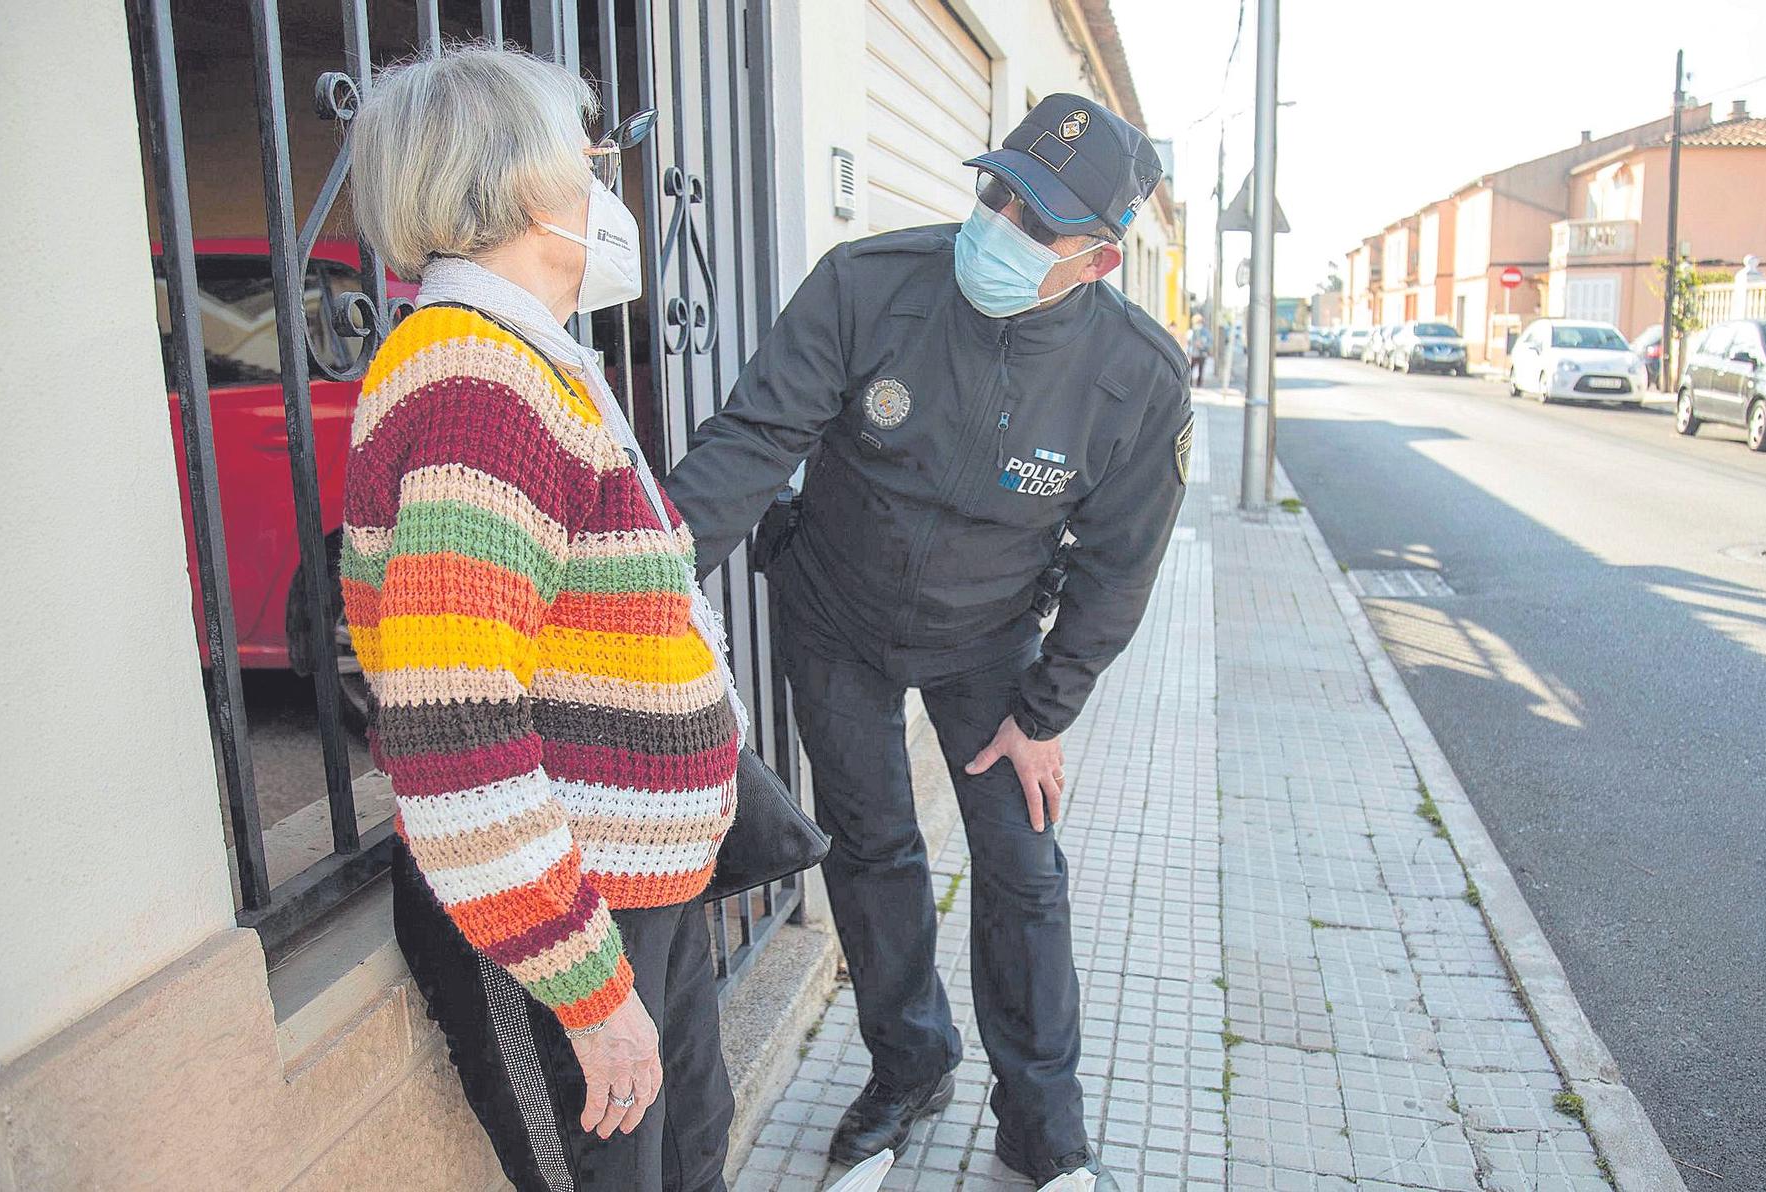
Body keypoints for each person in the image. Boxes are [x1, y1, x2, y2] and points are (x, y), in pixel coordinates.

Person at [666, 93, 1191, 1192]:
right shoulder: (868, 283)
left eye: (1035, 220)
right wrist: (639, 578)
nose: (996, 222)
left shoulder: (1136, 378)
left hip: (988, 638)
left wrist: (1044, 710)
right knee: (868, 849)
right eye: (996, 189)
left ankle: (1043, 1131)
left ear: (1096, 262)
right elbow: (753, 440)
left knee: (1022, 867)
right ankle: (908, 1069)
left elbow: (1116, 564)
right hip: (834, 613)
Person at [342, 47, 738, 1191]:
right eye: (592, 158)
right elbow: (453, 738)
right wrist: (590, 988)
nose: (604, 185)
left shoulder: (527, 361)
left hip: (627, 903)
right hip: (560, 930)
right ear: (522, 184)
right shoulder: (476, 386)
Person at [1187, 313, 1212, 386]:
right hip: (1193, 353)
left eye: (1199, 322)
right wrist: (1189, 352)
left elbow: (1210, 342)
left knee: (1201, 369)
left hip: (1202, 353)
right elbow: (1189, 342)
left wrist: (1202, 345)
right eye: (1196, 322)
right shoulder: (1192, 331)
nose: (1198, 324)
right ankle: (1190, 384)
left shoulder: (1206, 332)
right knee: (1191, 369)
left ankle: (1199, 384)